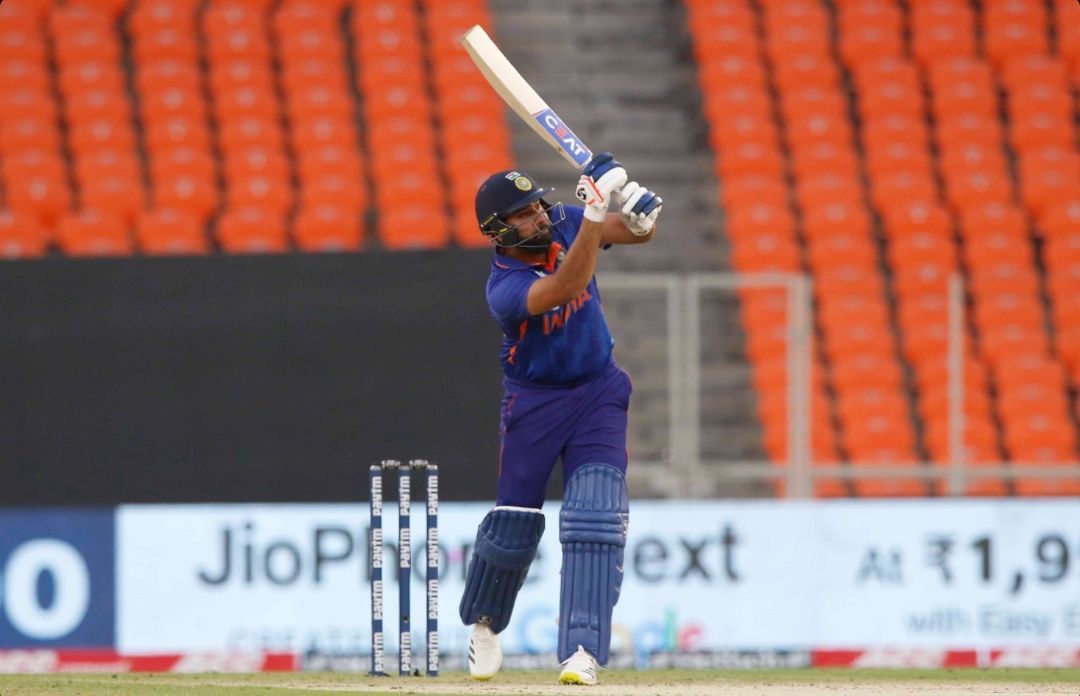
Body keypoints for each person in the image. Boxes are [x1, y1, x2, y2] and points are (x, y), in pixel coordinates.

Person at [457, 153, 662, 685]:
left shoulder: (567, 220)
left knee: (595, 518)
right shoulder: (503, 288)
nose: (539, 216)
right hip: (536, 402)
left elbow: (632, 233)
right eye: (523, 214)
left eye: (537, 205)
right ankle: (484, 621)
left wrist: (640, 214)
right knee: (514, 526)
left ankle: (581, 651)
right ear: (498, 230)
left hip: (598, 390)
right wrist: (595, 217)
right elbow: (568, 286)